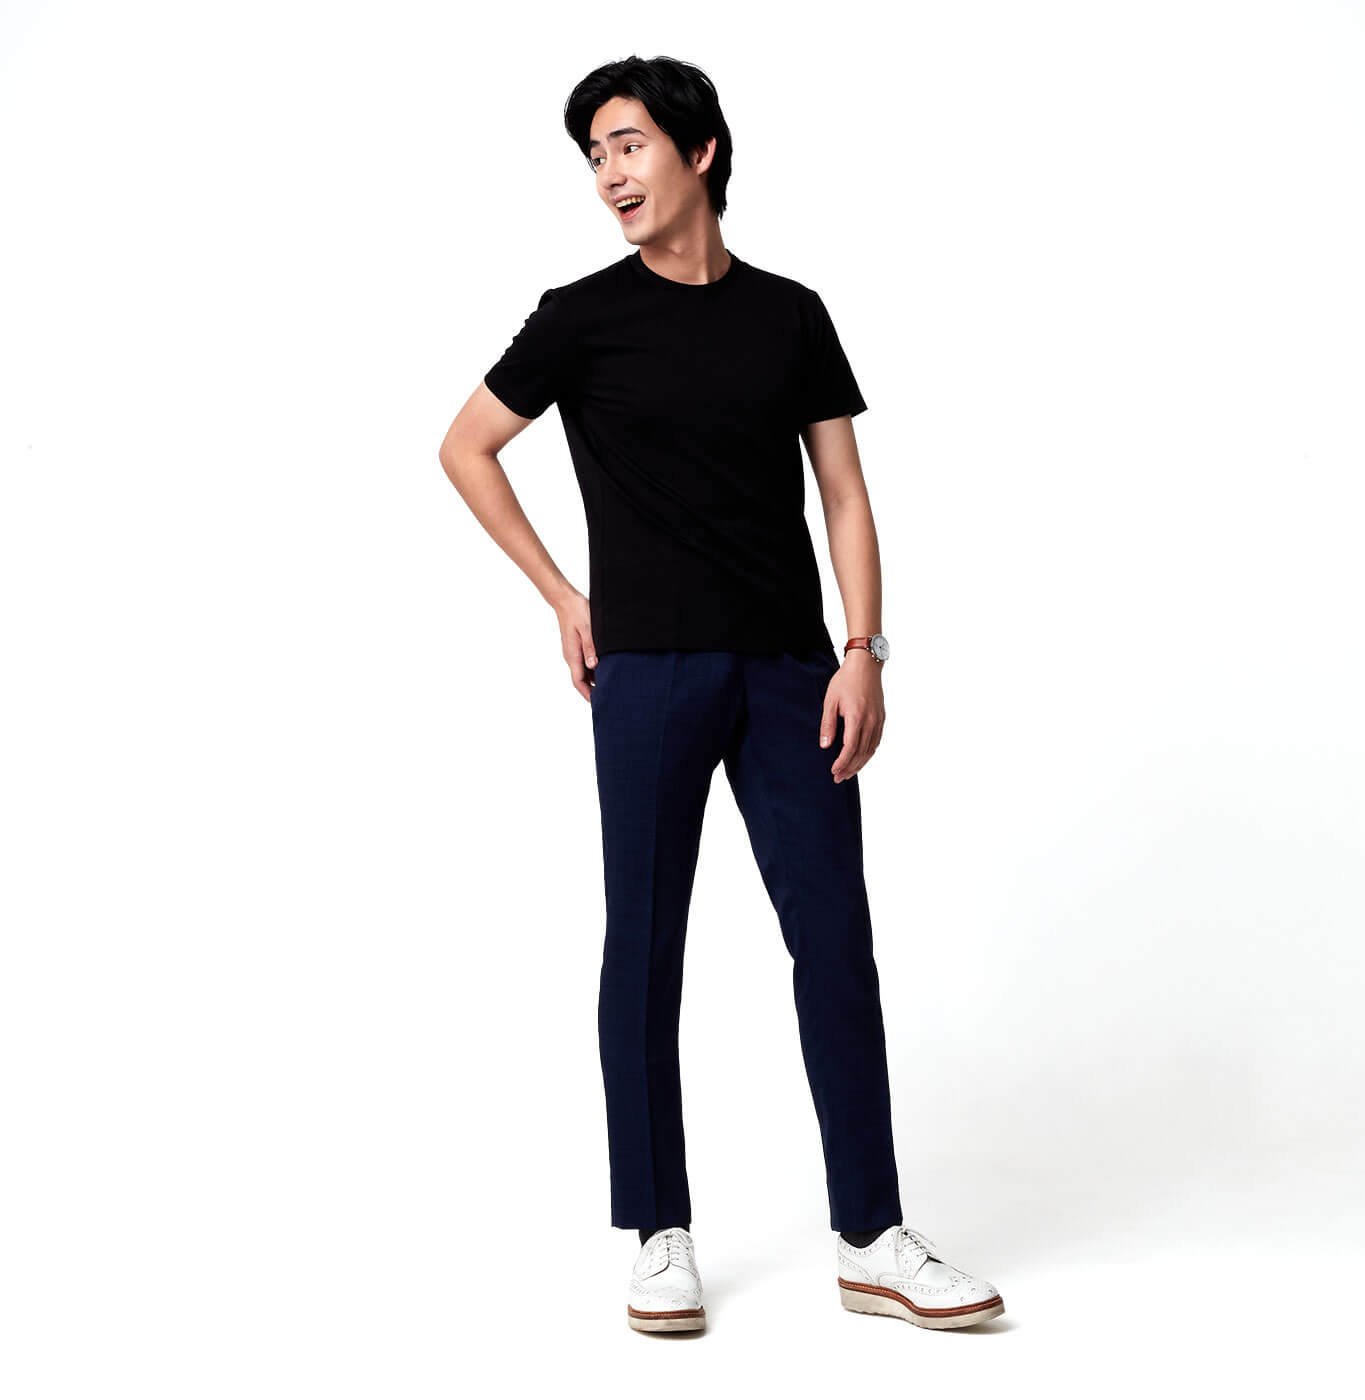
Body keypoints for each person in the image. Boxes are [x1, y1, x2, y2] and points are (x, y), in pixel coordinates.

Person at [438, 54, 1005, 1336]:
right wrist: (561, 594)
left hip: (789, 672)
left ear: (698, 152)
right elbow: (465, 446)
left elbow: (843, 493)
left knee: (834, 943)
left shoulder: (790, 315)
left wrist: (862, 649)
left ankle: (871, 1236)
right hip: (644, 673)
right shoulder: (579, 317)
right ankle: (658, 1231)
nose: (608, 174)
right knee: (643, 946)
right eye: (594, 155)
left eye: (628, 144)